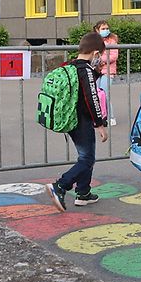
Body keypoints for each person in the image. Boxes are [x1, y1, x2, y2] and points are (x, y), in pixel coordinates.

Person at [48, 32, 109, 211]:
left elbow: (81, 88)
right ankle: (60, 185)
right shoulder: (86, 70)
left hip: (70, 118)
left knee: (85, 156)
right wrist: (100, 123)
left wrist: (96, 74)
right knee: (87, 159)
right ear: (95, 54)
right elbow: (91, 98)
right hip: (82, 120)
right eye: (100, 56)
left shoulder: (71, 66)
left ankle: (83, 192)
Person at [93, 21, 119, 125]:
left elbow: (113, 56)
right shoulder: (94, 41)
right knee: (96, 94)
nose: (106, 30)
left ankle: (111, 116)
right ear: (97, 30)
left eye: (107, 28)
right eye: (103, 29)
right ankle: (99, 116)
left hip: (108, 71)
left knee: (105, 93)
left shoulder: (112, 41)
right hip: (96, 70)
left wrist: (100, 59)